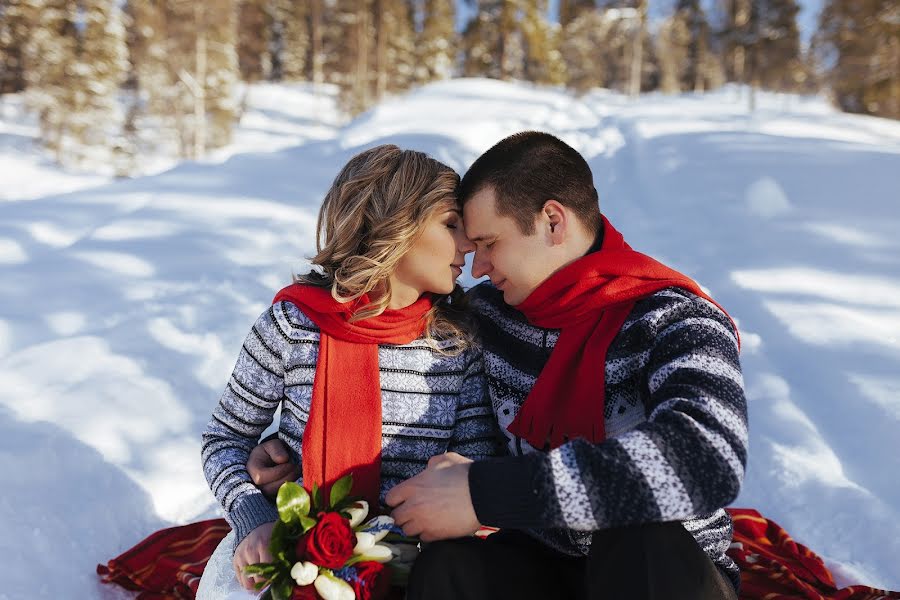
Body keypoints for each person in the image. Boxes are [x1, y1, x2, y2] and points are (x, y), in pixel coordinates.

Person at [249, 132, 748, 600]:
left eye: (489, 243)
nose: (477, 265)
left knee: (640, 538)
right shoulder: (489, 315)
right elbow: (388, 347)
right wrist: (293, 449)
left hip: (664, 574)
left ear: (553, 221)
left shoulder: (675, 320)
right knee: (447, 568)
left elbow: (707, 460)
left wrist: (485, 492)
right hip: (542, 562)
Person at [196, 145, 500, 599]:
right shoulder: (293, 327)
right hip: (297, 551)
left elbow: (474, 465)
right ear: (396, 224)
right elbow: (225, 440)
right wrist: (252, 518)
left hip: (415, 563)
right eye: (451, 224)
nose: (468, 245)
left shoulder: (455, 343)